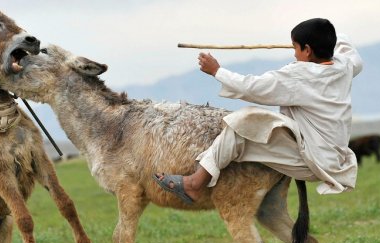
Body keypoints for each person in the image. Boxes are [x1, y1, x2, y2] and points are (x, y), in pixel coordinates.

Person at [154, 18, 363, 204]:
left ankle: (195, 183)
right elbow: (350, 51)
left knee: (243, 125)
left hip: (313, 161)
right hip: (333, 157)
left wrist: (217, 71)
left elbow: (252, 87)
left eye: (296, 48)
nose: (293, 53)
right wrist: (327, 36)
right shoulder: (344, 66)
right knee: (251, 122)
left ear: (307, 50)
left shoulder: (300, 75)